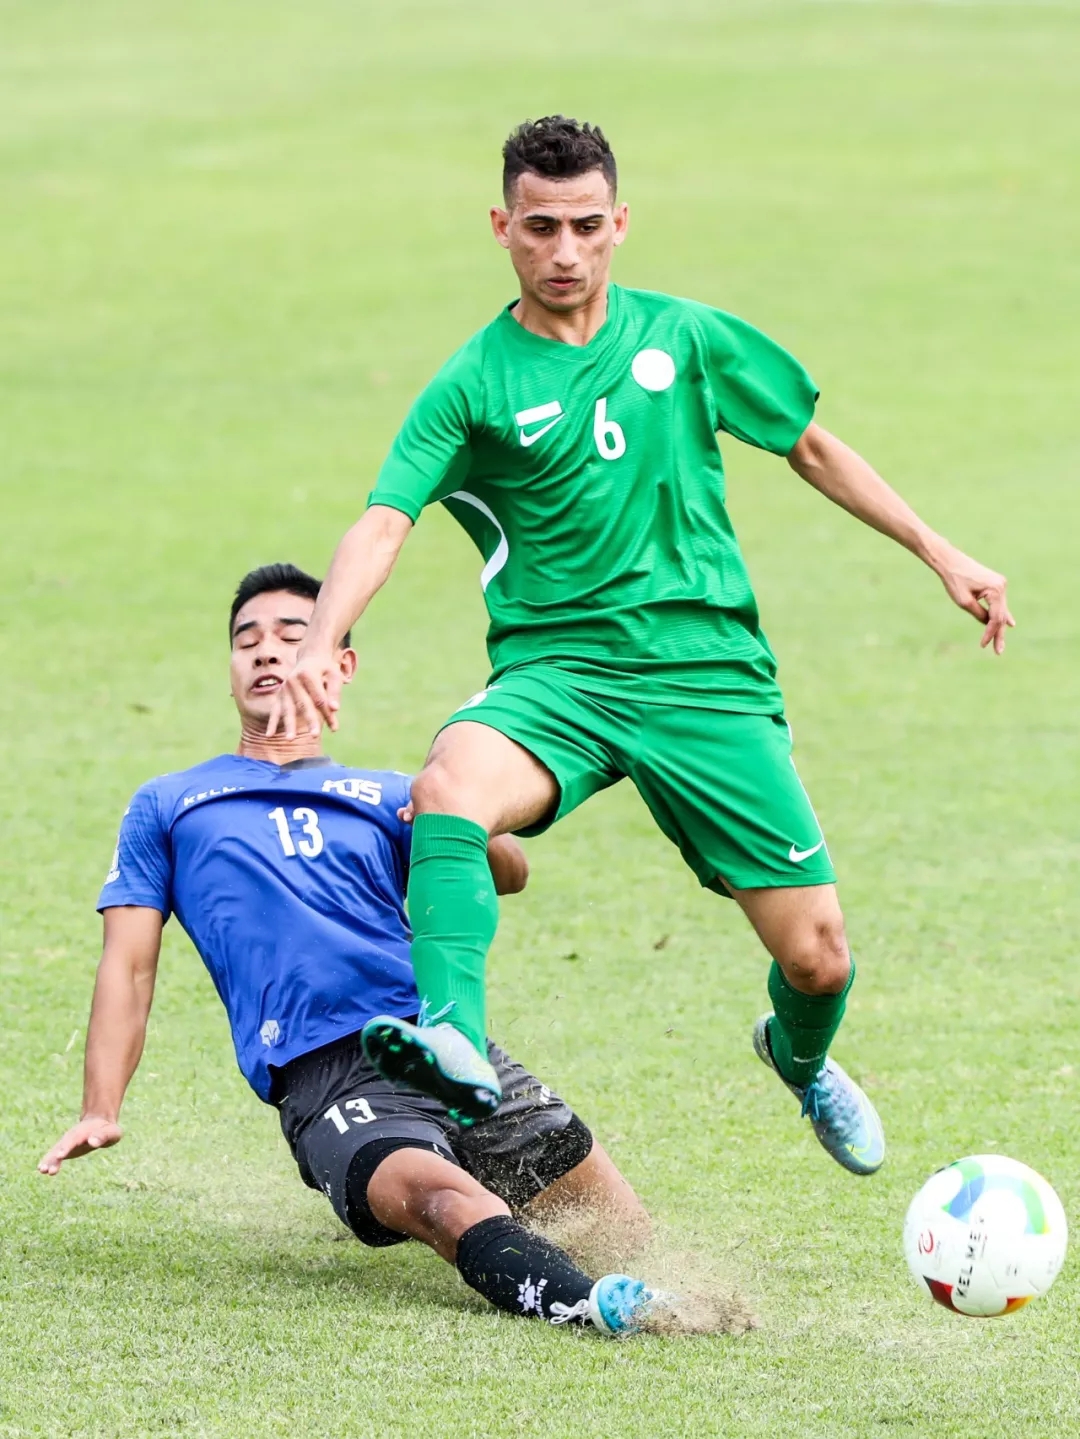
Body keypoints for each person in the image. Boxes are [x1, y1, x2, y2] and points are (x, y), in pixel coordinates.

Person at [268, 117, 1014, 1172]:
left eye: (585, 226)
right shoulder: (473, 384)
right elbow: (384, 519)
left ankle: (799, 1059)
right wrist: (323, 635)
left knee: (819, 958)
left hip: (707, 678)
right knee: (449, 788)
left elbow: (808, 444)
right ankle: (452, 1034)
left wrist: (939, 550)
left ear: (619, 222)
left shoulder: (688, 338)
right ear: (502, 228)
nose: (564, 252)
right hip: (560, 677)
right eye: (540, 227)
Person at [38, 563, 666, 1338]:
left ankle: (599, 1272)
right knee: (445, 1202)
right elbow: (129, 965)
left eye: (291, 636)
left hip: (447, 1047)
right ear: (231, 671)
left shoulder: (387, 793)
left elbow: (510, 872)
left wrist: (453, 805)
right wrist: (100, 1106)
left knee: (621, 1228)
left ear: (339, 663)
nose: (265, 651)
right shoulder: (170, 803)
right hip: (328, 1073)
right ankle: (591, 1306)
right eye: (246, 640)